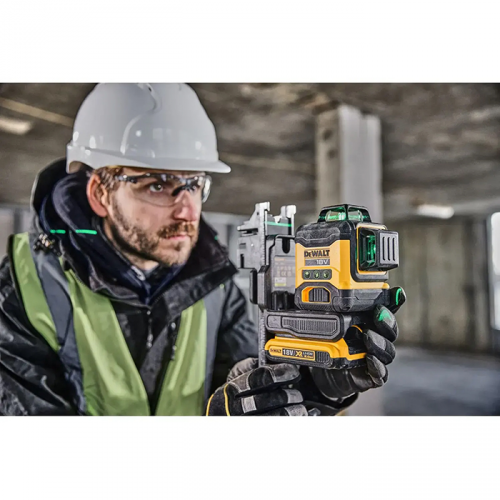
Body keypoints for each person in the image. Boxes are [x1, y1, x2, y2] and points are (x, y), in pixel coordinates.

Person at [0, 83, 403, 416]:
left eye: (194, 184)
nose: (189, 211)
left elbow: (248, 378)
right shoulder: (24, 289)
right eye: (158, 184)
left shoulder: (214, 281)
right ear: (100, 193)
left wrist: (313, 387)